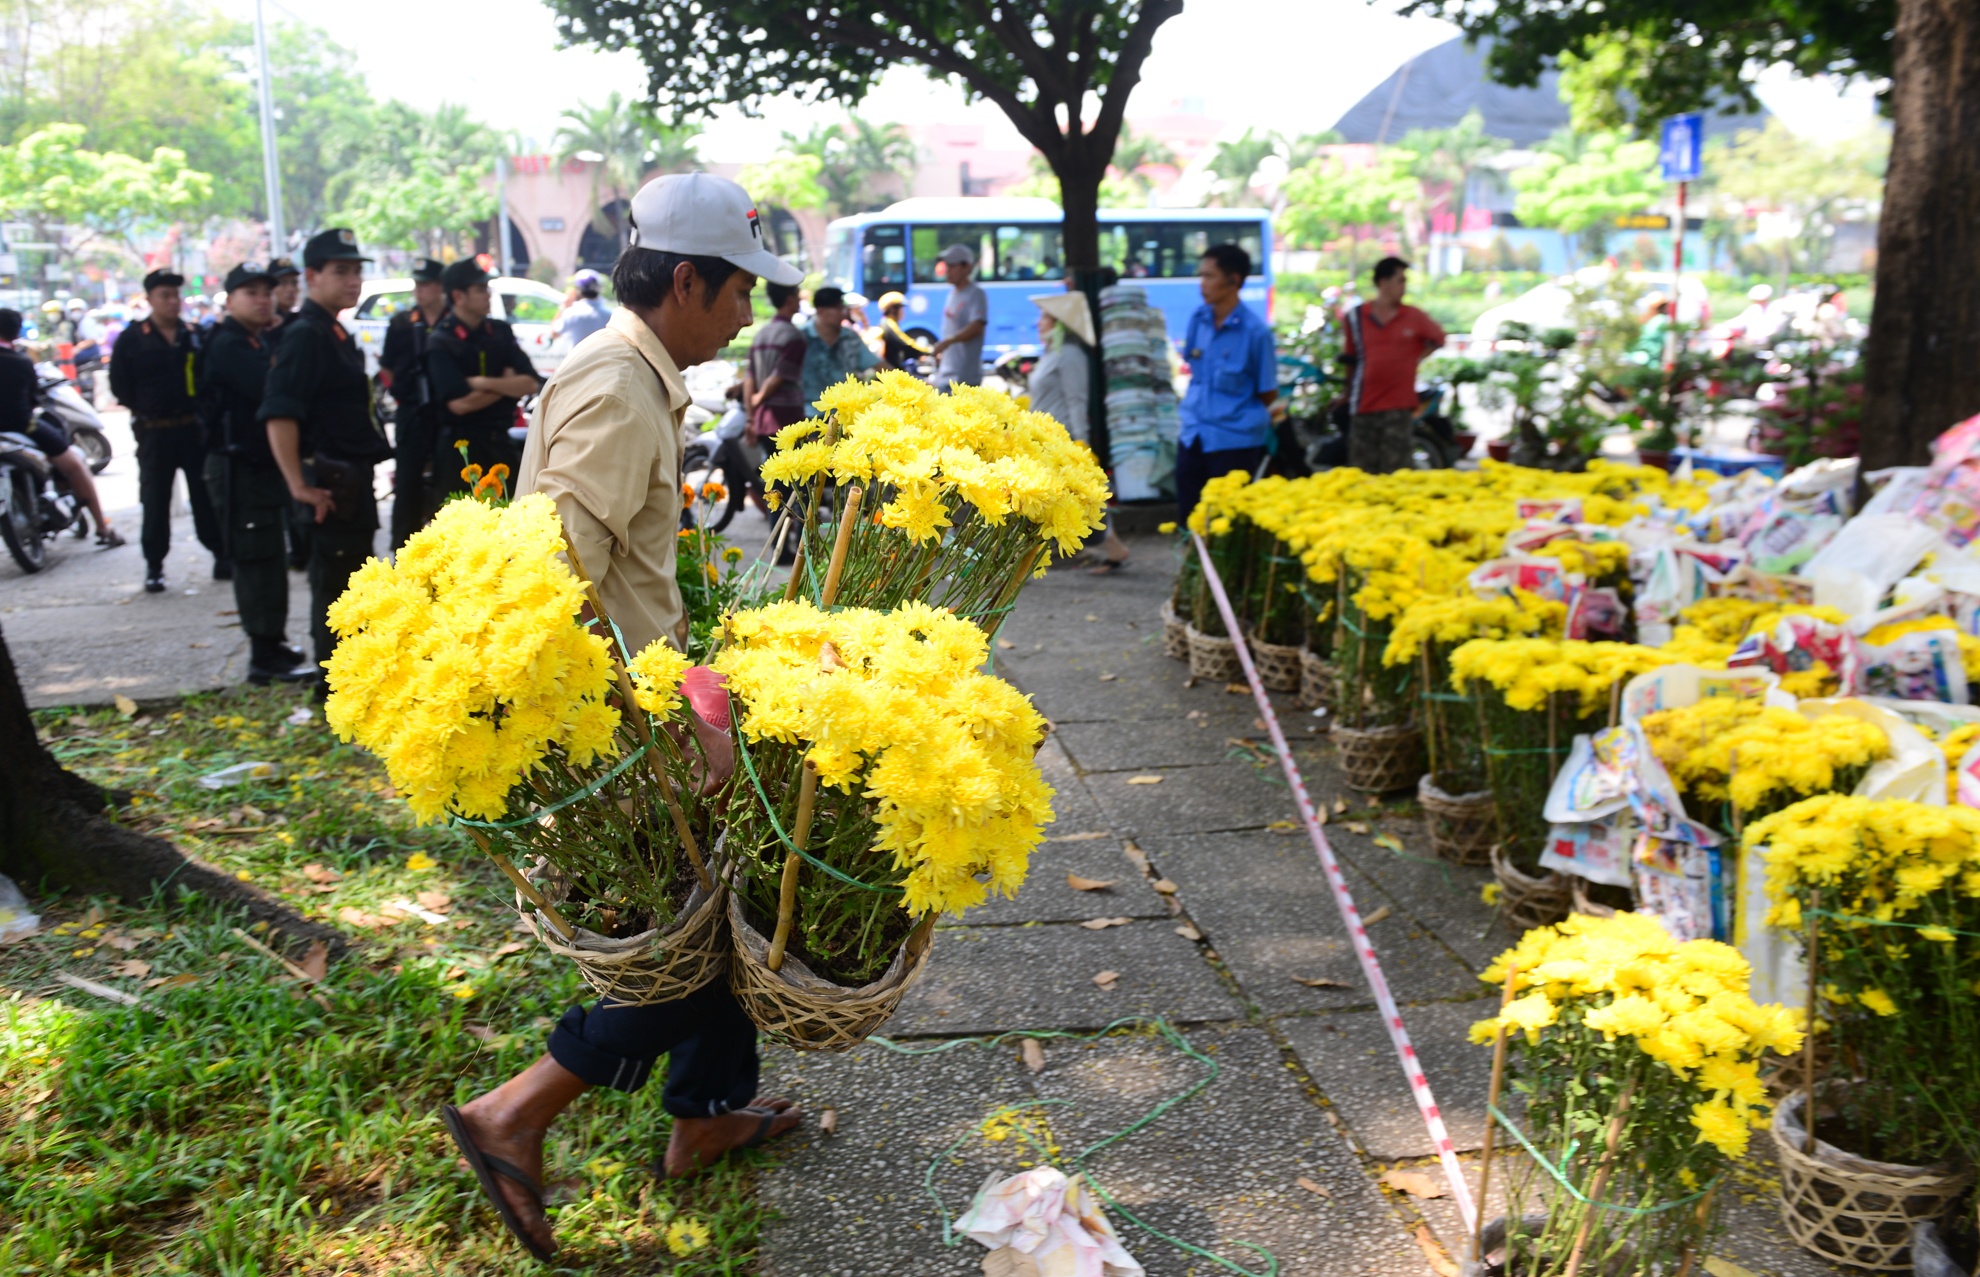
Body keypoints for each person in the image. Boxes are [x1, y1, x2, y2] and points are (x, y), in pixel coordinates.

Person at [443, 172, 807, 1264]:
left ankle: (705, 1112)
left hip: (658, 698)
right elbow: (556, 587)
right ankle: (516, 1109)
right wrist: (669, 721)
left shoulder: (643, 377)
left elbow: (630, 571)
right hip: (620, 724)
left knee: (726, 911)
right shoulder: (612, 384)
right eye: (741, 290)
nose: (751, 314)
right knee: (689, 951)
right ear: (686, 279)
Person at [260, 228, 394, 682]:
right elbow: (280, 414)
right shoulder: (306, 335)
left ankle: (352, 679)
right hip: (328, 484)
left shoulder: (333, 330)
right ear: (312, 276)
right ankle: (334, 684)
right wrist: (299, 485)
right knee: (337, 589)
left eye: (357, 271)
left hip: (352, 480)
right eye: (341, 271)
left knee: (354, 583)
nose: (352, 280)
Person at [198, 264, 315, 685]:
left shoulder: (255, 338)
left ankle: (274, 642)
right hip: (237, 468)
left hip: (256, 467)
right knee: (256, 558)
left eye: (267, 292)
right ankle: (263, 656)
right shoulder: (228, 343)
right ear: (229, 301)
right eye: (251, 293)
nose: (263, 299)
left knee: (269, 554)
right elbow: (270, 389)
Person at [111, 267, 223, 593]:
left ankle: (220, 553)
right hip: (154, 431)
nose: (173, 302)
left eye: (177, 295)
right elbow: (121, 385)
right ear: (149, 299)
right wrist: (145, 409)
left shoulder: (193, 335)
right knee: (155, 499)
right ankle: (155, 565)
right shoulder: (132, 339)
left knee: (204, 495)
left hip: (192, 430)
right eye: (165, 295)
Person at [0, 307, 123, 547]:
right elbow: (34, 398)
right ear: (16, 333)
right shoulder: (20, 362)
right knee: (76, 465)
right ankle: (102, 527)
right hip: (24, 428)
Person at [1027, 291, 1131, 573]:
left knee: (1084, 502)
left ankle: (1112, 548)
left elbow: (1076, 400)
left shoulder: (1069, 355)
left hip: (1063, 440)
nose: (1039, 323)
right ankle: (1113, 549)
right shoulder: (1052, 354)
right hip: (1044, 439)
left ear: (1060, 324)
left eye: (1045, 318)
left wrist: (1081, 443)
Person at [1175, 244, 1278, 520]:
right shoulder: (1199, 319)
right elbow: (1194, 370)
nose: (1202, 284)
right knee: (1190, 519)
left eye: (1210, 276)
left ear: (1234, 280)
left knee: (1227, 526)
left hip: (1235, 441)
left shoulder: (1256, 333)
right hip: (1193, 434)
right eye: (1202, 275)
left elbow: (1268, 391)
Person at [426, 258, 543, 498]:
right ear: (458, 296)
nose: (488, 295)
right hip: (460, 452)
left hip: (500, 444)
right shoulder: (441, 340)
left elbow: (530, 383)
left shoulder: (499, 331)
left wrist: (482, 383)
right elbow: (459, 405)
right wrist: (506, 384)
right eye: (480, 290)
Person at [1340, 256, 1445, 475]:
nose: (1404, 287)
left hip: (1399, 407)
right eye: (1400, 281)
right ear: (1383, 283)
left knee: (1397, 474)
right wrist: (1346, 393)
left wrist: (1413, 358)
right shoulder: (1357, 317)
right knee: (1362, 474)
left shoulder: (1413, 316)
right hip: (1364, 405)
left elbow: (1438, 338)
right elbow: (1350, 358)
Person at [380, 257, 447, 548]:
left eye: (427, 284)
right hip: (411, 413)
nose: (421, 290)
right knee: (407, 484)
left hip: (446, 415)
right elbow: (387, 367)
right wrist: (401, 393)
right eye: (417, 284)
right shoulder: (401, 323)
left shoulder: (453, 322)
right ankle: (402, 547)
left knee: (447, 484)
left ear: (441, 287)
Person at [265, 256, 308, 569]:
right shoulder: (260, 329)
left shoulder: (299, 325)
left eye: (295, 283)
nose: (290, 290)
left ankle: (300, 547)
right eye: (283, 284)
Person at [798, 285, 878, 407]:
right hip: (807, 414)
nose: (844, 314)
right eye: (839, 309)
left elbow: (878, 365)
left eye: (844, 309)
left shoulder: (850, 337)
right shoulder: (800, 337)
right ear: (822, 311)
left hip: (846, 412)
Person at [929, 244, 987, 388]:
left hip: (963, 379)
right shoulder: (952, 294)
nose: (947, 270)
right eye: (946, 266)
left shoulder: (976, 294)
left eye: (952, 266)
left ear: (966, 267)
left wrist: (948, 342)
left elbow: (977, 326)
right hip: (947, 375)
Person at [553, 269, 612, 347]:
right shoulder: (610, 315)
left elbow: (554, 334)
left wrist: (564, 306)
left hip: (577, 359)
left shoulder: (571, 313)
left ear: (578, 290)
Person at [874, 291, 931, 371]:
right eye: (901, 308)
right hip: (892, 371)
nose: (903, 312)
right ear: (893, 309)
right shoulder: (889, 324)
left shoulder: (886, 322)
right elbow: (906, 344)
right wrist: (929, 351)